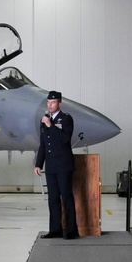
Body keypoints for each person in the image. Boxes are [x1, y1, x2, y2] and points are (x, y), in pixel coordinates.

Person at [33, 90, 79, 239]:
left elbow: (64, 139)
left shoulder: (66, 119)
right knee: (53, 199)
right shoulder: (45, 120)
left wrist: (50, 125)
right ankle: (55, 230)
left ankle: (72, 231)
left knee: (66, 197)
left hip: (64, 165)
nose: (50, 105)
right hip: (51, 166)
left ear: (59, 103)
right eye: (48, 102)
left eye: (53, 102)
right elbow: (43, 145)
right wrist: (38, 163)